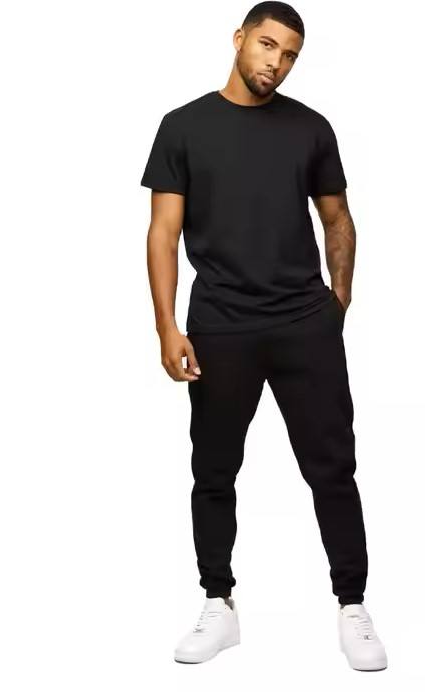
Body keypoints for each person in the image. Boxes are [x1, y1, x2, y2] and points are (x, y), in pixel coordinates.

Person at [140, 2, 387, 671]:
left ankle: (353, 605)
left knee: (332, 467)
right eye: (268, 45)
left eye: (290, 55)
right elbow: (163, 233)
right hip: (220, 323)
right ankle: (218, 603)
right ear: (239, 39)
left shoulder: (310, 128)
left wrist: (338, 302)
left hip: (304, 323)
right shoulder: (183, 126)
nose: (276, 62)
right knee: (214, 469)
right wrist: (166, 325)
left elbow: (338, 217)